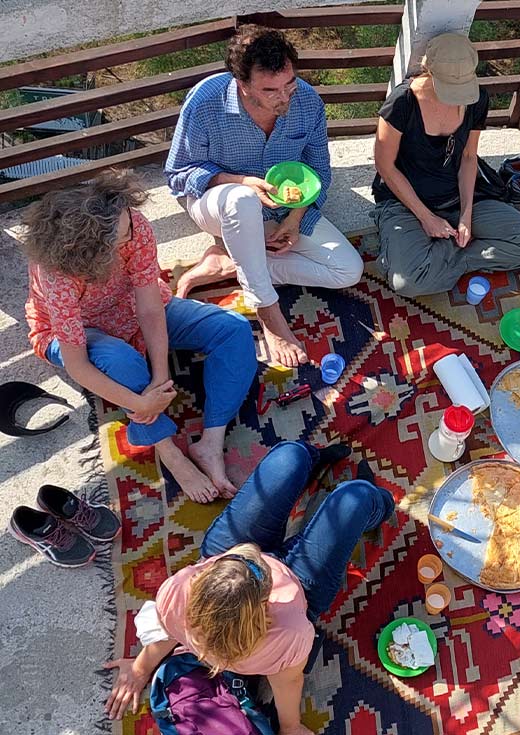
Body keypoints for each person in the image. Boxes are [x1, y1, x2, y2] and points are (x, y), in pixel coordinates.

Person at [105, 442, 395, 735]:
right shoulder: (289, 634)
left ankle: (313, 459)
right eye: (255, 564)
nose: (251, 551)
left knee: (289, 458)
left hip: (244, 575)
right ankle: (380, 504)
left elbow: (168, 631)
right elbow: (288, 682)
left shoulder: (179, 591)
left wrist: (141, 669)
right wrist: (290, 727)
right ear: (266, 608)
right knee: (356, 498)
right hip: (301, 586)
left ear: (201, 583)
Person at [21, 170, 256, 504]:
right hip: (79, 330)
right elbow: (78, 364)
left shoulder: (131, 222)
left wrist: (161, 375)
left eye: (129, 221)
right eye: (121, 236)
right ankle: (169, 451)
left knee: (232, 329)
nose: (133, 229)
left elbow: (148, 308)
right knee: (122, 362)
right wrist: (142, 403)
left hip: (130, 305)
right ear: (92, 251)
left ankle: (210, 444)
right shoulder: (55, 274)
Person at [165, 25, 364, 368]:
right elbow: (179, 174)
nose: (285, 97)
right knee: (241, 199)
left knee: (348, 270)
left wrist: (294, 219)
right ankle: (268, 311)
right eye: (270, 90)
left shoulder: (307, 101)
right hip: (217, 199)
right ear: (241, 84)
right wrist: (240, 181)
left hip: (282, 209)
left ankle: (234, 263)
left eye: (289, 84)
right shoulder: (205, 102)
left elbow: (319, 172)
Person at [371, 32, 520, 296]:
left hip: (459, 197)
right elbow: (384, 166)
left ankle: (455, 257)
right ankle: (454, 251)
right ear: (429, 72)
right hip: (406, 203)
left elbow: (468, 157)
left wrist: (466, 214)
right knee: (407, 283)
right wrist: (426, 217)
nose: (456, 98)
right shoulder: (402, 103)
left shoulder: (477, 99)